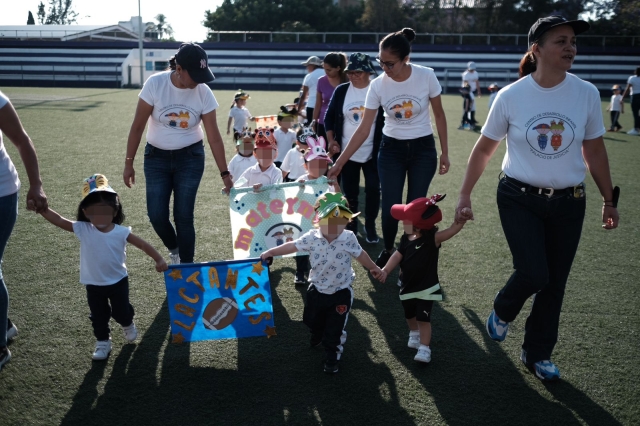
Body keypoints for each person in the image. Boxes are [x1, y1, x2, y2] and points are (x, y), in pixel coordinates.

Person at [455, 15, 619, 381]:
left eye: (573, 41)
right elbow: (483, 150)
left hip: (570, 201)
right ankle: (503, 308)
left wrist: (609, 200)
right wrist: (464, 193)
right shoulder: (510, 96)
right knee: (534, 272)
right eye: (560, 41)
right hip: (518, 196)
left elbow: (595, 152)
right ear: (536, 49)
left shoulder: (587, 93)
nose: (570, 47)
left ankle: (536, 353)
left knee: (555, 284)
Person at [327, 28, 450, 269]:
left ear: (406, 58)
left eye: (390, 64)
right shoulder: (378, 86)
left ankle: (409, 254)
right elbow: (363, 129)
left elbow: (439, 114)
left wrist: (445, 151)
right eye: (381, 63)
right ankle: (388, 249)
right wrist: (339, 162)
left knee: (415, 208)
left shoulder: (426, 76)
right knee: (392, 207)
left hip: (423, 149)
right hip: (390, 149)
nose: (385, 69)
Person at [124, 42, 232, 265]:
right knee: (156, 216)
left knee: (184, 216)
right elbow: (137, 126)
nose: (199, 80)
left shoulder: (203, 92)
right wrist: (129, 162)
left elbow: (214, 137)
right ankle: (175, 248)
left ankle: (187, 267)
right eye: (195, 74)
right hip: (155, 158)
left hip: (190, 158)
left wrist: (225, 174)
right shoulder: (155, 84)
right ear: (179, 69)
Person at [39, 174, 168, 361]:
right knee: (98, 316)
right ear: (85, 212)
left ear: (115, 211)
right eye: (93, 212)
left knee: (121, 312)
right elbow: (59, 220)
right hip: (93, 284)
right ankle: (103, 342)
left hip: (118, 282)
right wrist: (43, 209)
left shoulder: (121, 232)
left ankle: (127, 323)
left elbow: (143, 244)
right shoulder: (83, 229)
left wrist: (159, 259)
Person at [260, 193, 383, 374]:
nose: (335, 225)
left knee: (335, 329)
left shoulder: (348, 237)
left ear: (347, 219)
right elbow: (293, 245)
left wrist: (373, 267)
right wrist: (271, 251)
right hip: (316, 290)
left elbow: (360, 253)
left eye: (340, 220)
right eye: (330, 220)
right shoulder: (312, 237)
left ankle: (332, 357)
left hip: (341, 292)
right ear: (318, 219)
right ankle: (316, 332)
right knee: (312, 321)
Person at [381, 194, 464, 363]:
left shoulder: (433, 239)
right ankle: (414, 333)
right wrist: (385, 270)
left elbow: (452, 230)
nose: (403, 223)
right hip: (407, 286)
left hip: (427, 287)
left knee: (423, 318)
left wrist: (461, 221)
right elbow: (397, 255)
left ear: (417, 226)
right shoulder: (406, 238)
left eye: (405, 220)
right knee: (409, 314)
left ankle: (425, 348)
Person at [0, 91, 48, 371]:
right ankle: (3, 323)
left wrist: (36, 185)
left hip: (2, 194)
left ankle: (0, 346)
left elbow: (21, 140)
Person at [324, 52, 384, 243]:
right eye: (351, 72)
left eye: (358, 72)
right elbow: (329, 118)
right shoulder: (342, 91)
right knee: (350, 193)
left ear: (368, 72)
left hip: (373, 153)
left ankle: (371, 225)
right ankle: (352, 226)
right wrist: (332, 140)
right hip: (346, 152)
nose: (353, 75)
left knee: (374, 190)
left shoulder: (377, 90)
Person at [313, 52, 348, 141]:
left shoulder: (348, 81)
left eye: (329, 70)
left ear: (338, 68)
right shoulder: (321, 81)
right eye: (324, 69)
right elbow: (318, 104)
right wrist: (314, 121)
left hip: (343, 123)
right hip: (323, 123)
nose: (326, 72)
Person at [297, 56, 325, 123]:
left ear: (312, 65)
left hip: (311, 106)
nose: (307, 68)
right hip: (324, 105)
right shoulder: (327, 73)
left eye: (308, 65)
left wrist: (298, 110)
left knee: (312, 129)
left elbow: (304, 95)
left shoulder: (309, 76)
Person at [621, 66, 640, 135]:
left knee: (636, 114)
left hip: (635, 96)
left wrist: (622, 98)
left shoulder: (632, 78)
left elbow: (627, 89)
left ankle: (636, 129)